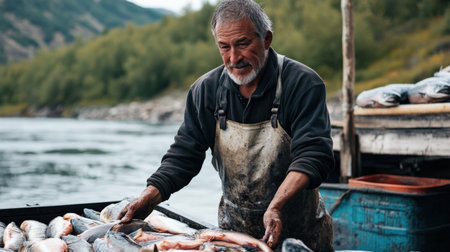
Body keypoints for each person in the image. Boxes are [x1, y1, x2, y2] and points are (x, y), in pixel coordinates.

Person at [118, 0, 334, 250]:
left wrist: (275, 206)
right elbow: (184, 156)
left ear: (266, 39)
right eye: (224, 47)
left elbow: (314, 156)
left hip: (303, 237)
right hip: (232, 237)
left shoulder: (303, 84)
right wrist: (149, 196)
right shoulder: (205, 90)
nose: (234, 58)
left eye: (243, 44)